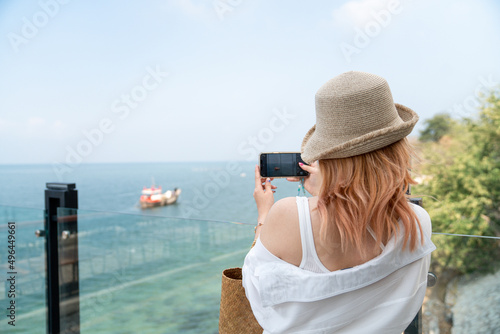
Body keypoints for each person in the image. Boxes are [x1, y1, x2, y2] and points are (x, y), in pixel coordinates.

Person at [242, 71, 436, 334]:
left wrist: (264, 214)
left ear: (329, 155)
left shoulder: (288, 215)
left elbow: (256, 292)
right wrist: (331, 188)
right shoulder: (418, 223)